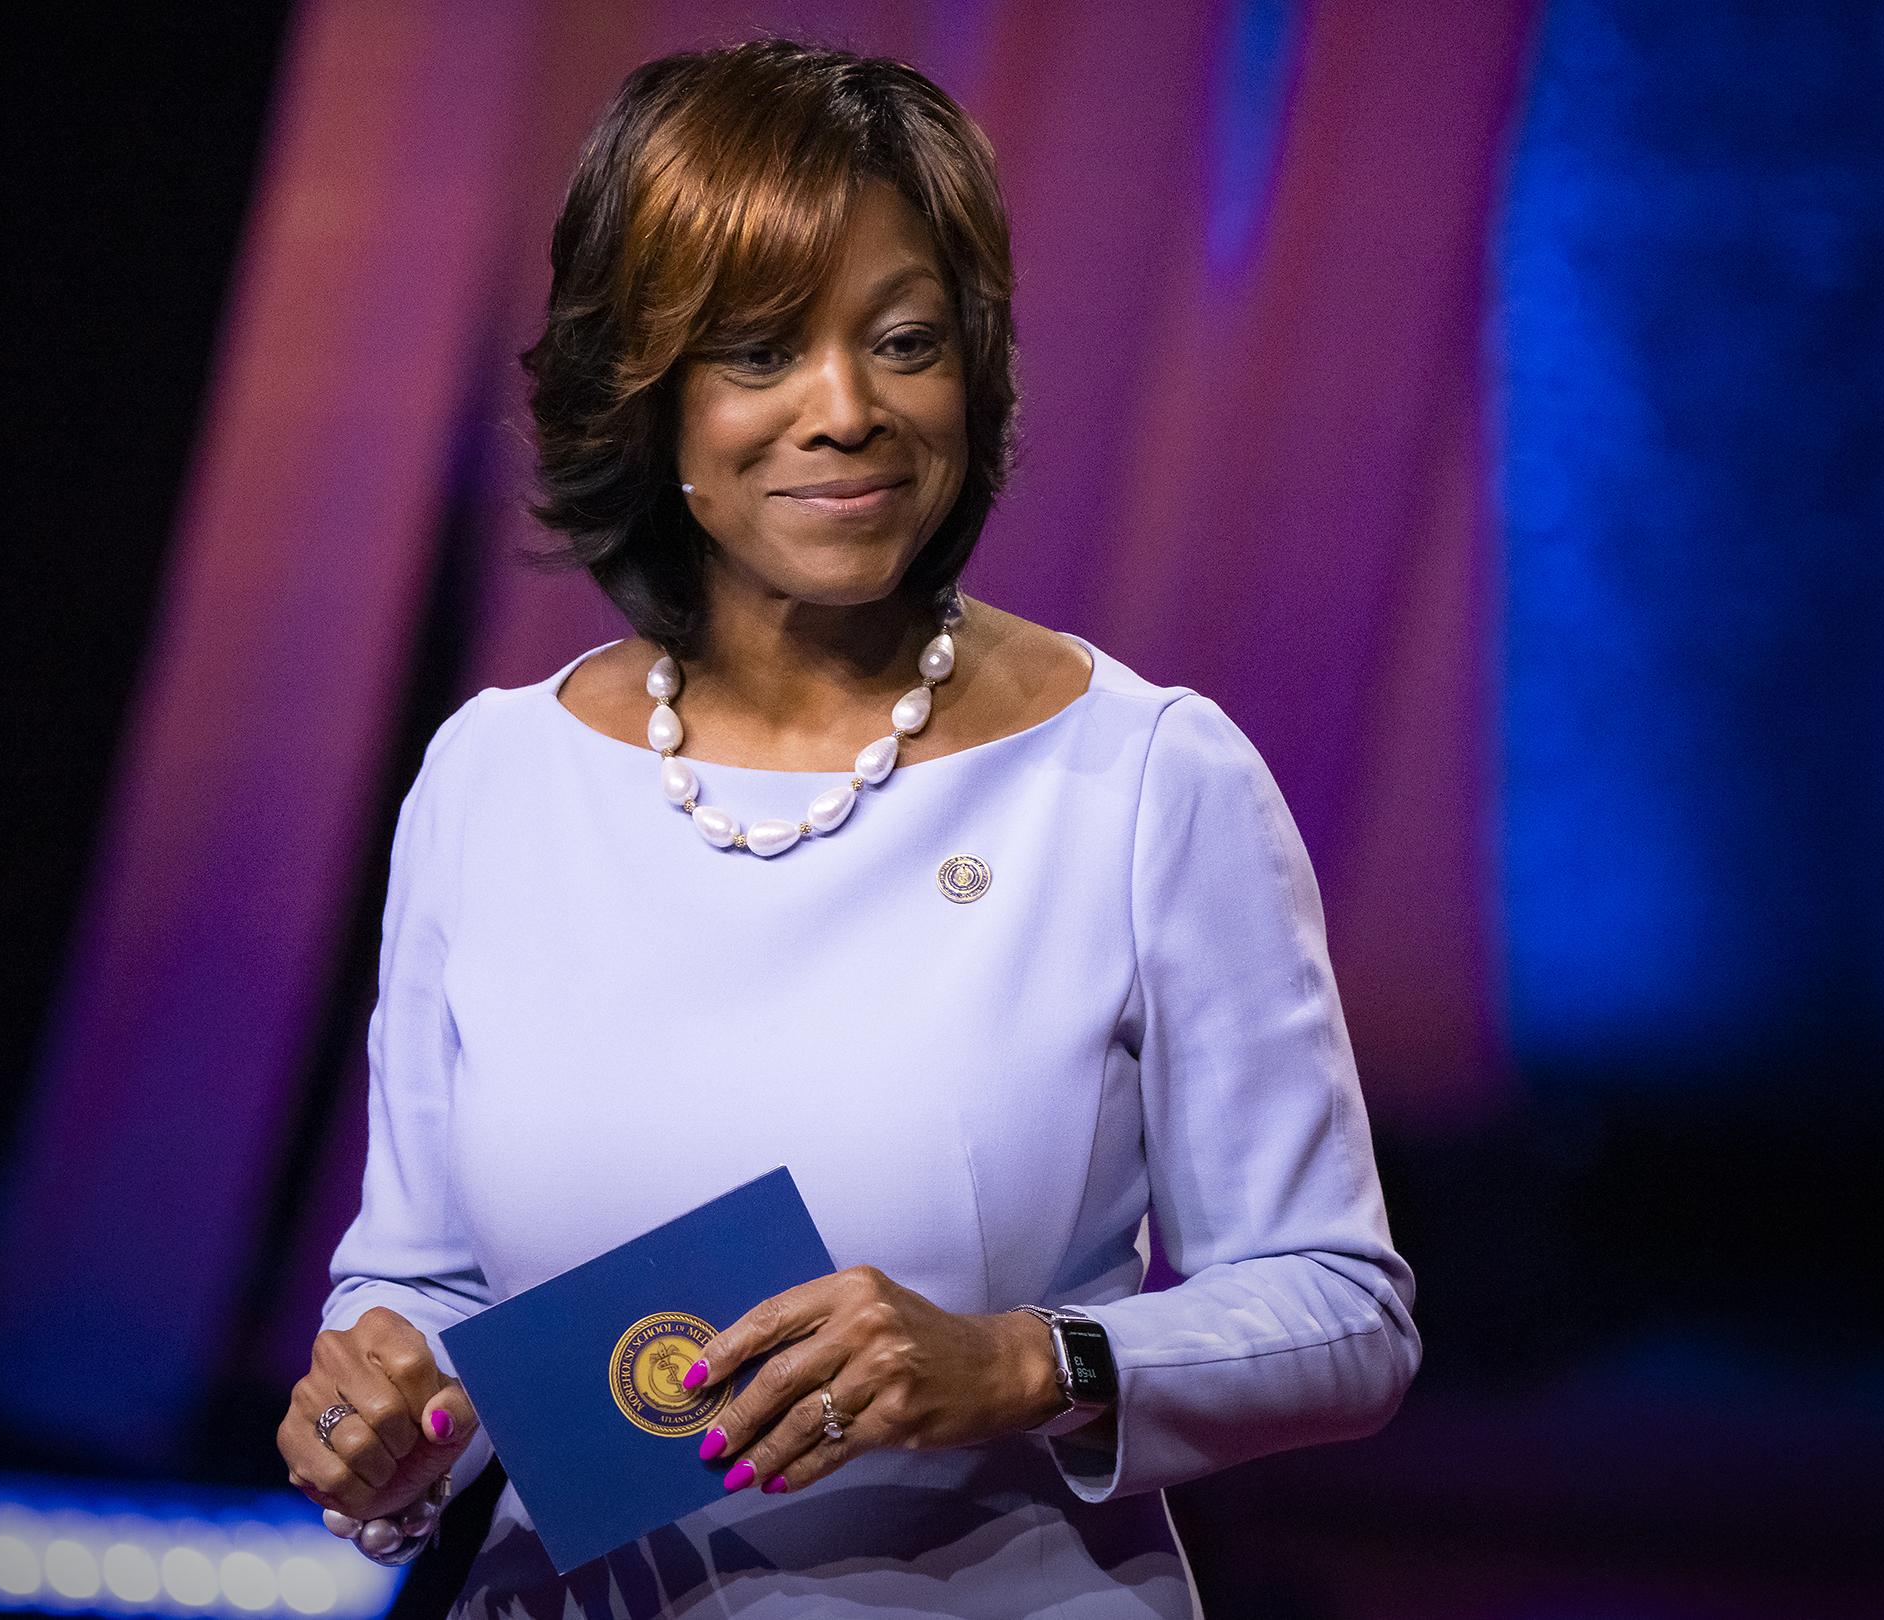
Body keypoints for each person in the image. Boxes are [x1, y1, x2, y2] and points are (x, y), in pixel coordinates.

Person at [271, 36, 1419, 1620]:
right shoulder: (495, 777)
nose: (848, 411)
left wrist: (1025, 1361)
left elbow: (1343, 1313)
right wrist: (379, 1406)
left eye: (904, 342)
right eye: (759, 352)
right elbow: (423, 1275)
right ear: (646, 393)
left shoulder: (1148, 776)